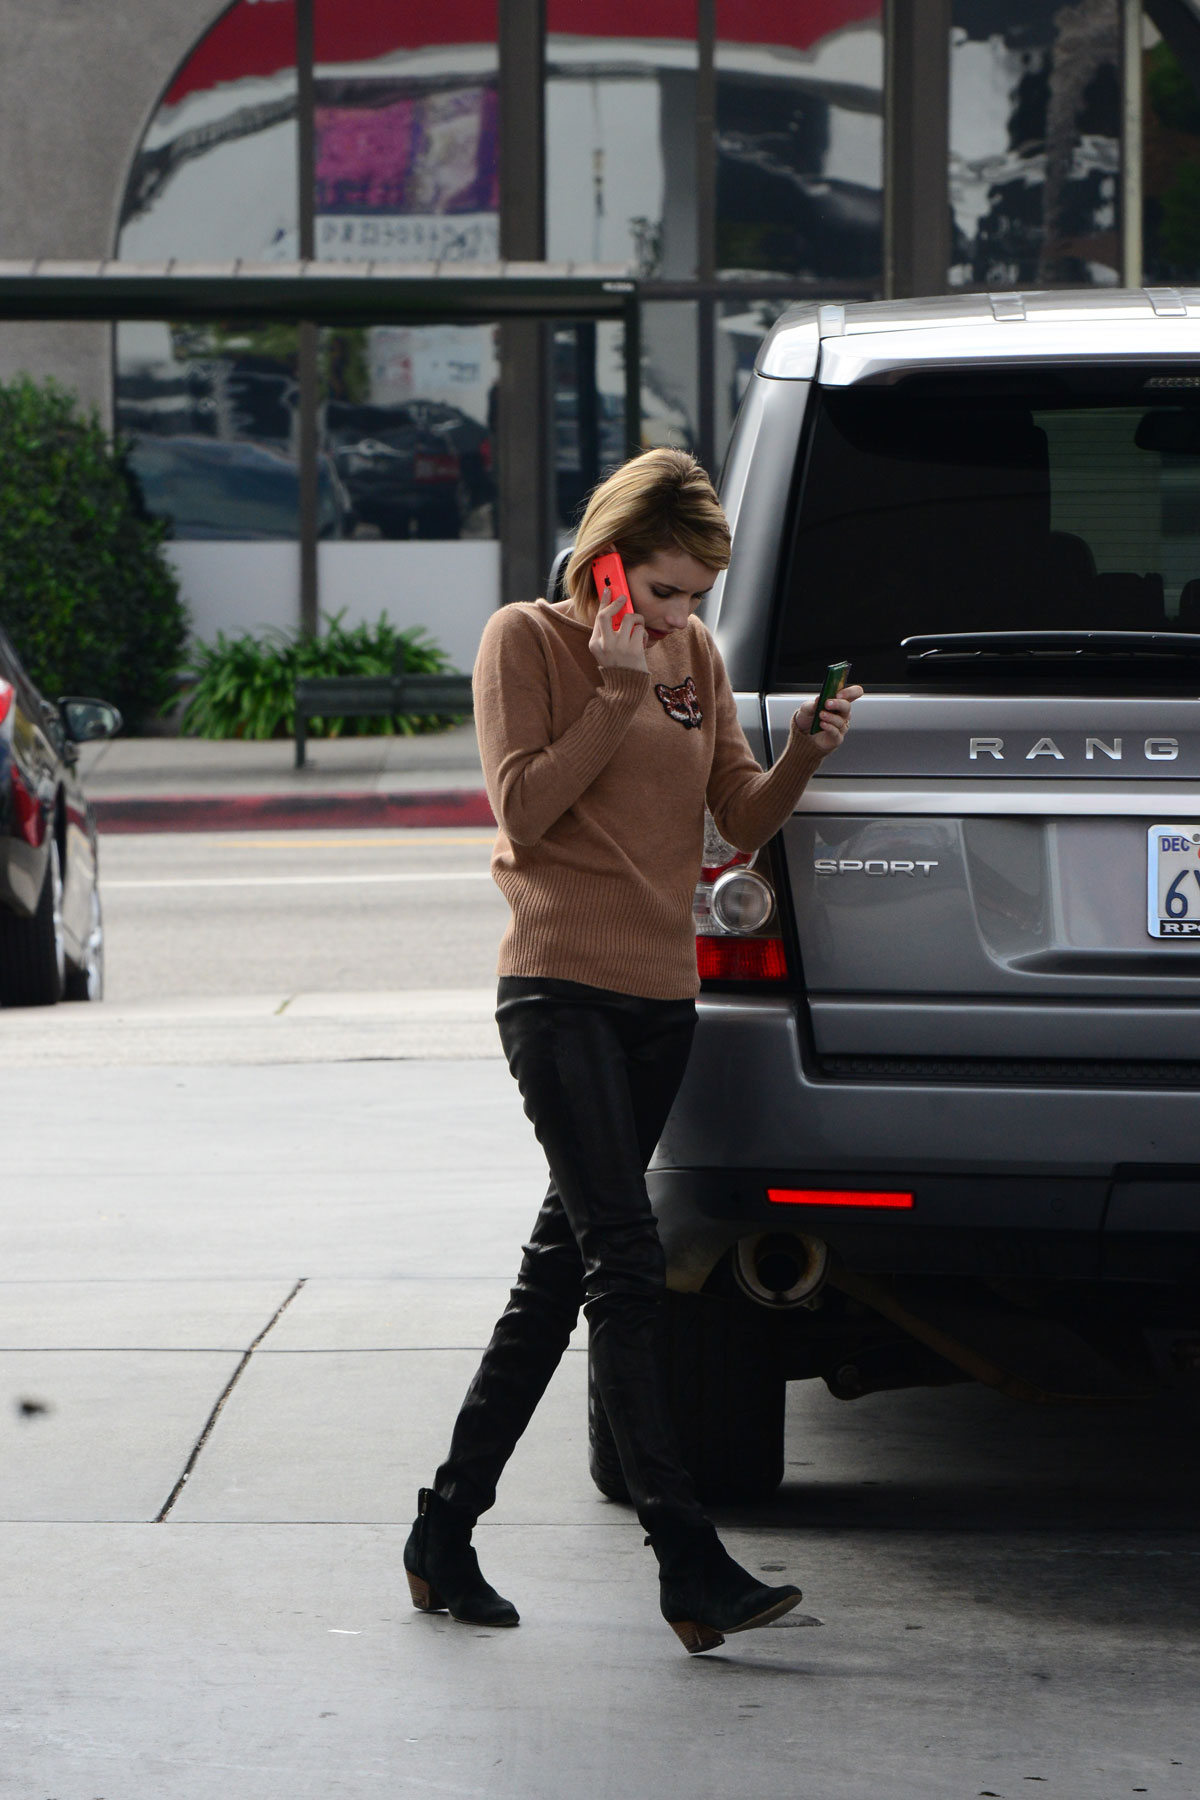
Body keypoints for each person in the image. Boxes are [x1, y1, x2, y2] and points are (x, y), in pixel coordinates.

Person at [404, 447, 862, 1655]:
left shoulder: (694, 661)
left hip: (665, 1000)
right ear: (606, 562)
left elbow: (739, 818)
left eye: (695, 598)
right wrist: (612, 686)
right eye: (662, 591)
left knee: (557, 1275)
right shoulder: (529, 641)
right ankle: (685, 1555)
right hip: (559, 992)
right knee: (625, 1258)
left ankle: (443, 1531)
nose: (678, 618)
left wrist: (808, 748)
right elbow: (524, 808)